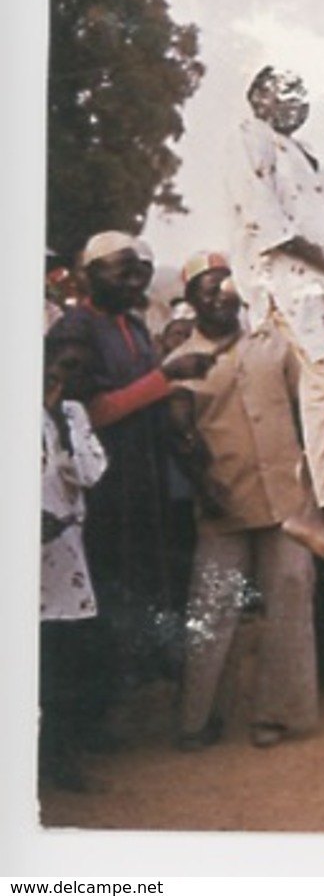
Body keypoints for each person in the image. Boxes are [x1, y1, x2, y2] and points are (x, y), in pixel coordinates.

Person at [224, 65, 324, 583]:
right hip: (289, 284)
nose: (295, 104)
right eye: (283, 94)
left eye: (302, 95)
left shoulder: (308, 153)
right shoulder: (246, 142)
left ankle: (315, 506)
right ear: (257, 97)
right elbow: (268, 225)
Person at [163, 253, 318, 752]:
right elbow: (177, 429)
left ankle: (276, 713)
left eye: (226, 286)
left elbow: (308, 408)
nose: (220, 296)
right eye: (207, 289)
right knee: (212, 605)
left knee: (291, 594)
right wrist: (202, 484)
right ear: (190, 301)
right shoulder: (181, 358)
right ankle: (199, 717)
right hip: (222, 501)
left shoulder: (273, 344)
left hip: (285, 496)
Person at [56, 232, 215, 698]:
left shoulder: (135, 326)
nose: (134, 281)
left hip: (143, 484)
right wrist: (166, 378)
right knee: (104, 593)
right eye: (121, 270)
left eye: (140, 271)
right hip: (101, 491)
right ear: (88, 275)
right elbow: (93, 412)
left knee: (142, 585)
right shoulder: (74, 331)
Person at [39, 318, 110, 792]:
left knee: (60, 659)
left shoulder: (73, 416)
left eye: (76, 373)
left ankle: (57, 758)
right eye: (60, 368)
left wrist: (63, 426)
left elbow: (90, 471)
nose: (65, 381)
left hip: (62, 555)